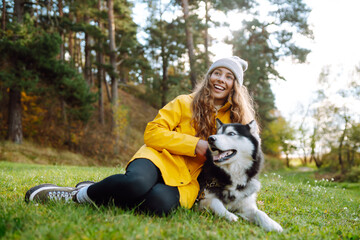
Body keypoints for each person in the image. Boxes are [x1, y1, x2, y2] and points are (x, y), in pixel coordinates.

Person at [25, 56, 257, 216]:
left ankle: (108, 190)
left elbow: (242, 160)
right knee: (136, 184)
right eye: (217, 73)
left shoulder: (237, 123)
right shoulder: (184, 102)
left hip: (188, 179)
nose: (221, 79)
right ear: (209, 77)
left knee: (159, 205)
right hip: (158, 158)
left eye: (228, 76)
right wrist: (194, 144)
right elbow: (152, 133)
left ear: (235, 85)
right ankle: (79, 195)